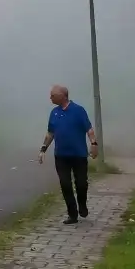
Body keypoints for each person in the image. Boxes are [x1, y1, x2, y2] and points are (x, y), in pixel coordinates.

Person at [37, 84, 99, 225]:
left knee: (81, 183)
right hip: (61, 156)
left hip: (79, 155)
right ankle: (72, 214)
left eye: (53, 95)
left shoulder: (78, 111)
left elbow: (89, 129)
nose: (50, 98)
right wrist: (43, 149)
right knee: (65, 184)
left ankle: (82, 204)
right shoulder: (54, 113)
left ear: (63, 95)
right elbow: (50, 133)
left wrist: (94, 144)